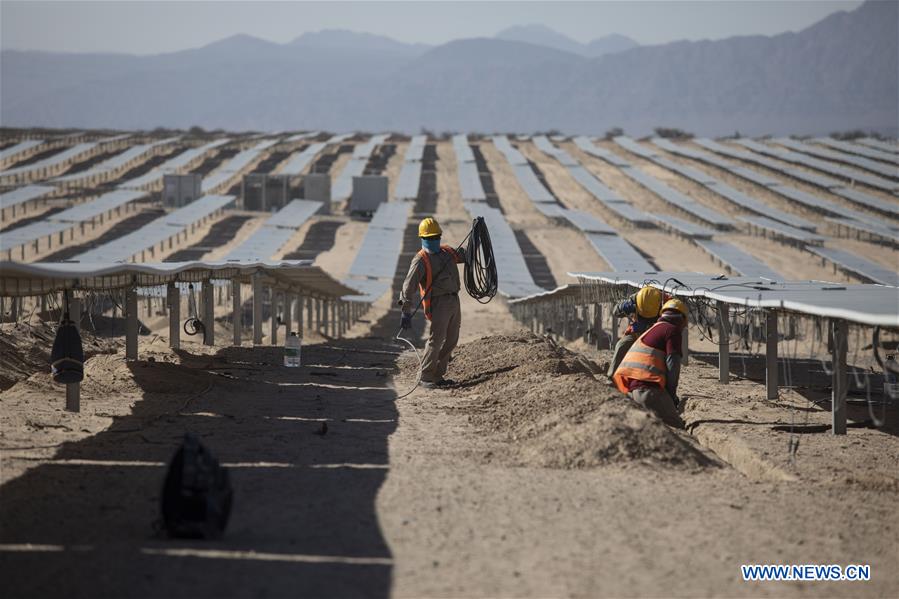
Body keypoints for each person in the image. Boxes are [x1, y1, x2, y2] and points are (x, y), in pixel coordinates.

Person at [400, 217, 466, 388]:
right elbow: (408, 286)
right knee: (436, 340)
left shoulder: (447, 253)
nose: (433, 241)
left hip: (454, 300)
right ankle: (425, 376)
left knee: (452, 339)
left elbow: (465, 255)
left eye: (436, 237)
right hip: (439, 303)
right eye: (430, 238)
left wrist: (476, 241)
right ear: (422, 238)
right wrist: (405, 311)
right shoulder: (421, 260)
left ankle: (438, 376)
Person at [612, 298, 688, 428]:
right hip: (648, 391)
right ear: (681, 319)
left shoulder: (653, 329)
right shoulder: (672, 330)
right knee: (677, 427)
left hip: (632, 391)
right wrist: (671, 395)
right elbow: (673, 364)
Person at [606, 286, 668, 378]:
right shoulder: (635, 300)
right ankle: (612, 378)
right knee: (621, 346)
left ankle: (664, 383)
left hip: (657, 336)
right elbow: (616, 311)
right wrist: (622, 307)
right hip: (637, 333)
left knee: (667, 357)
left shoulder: (666, 302)